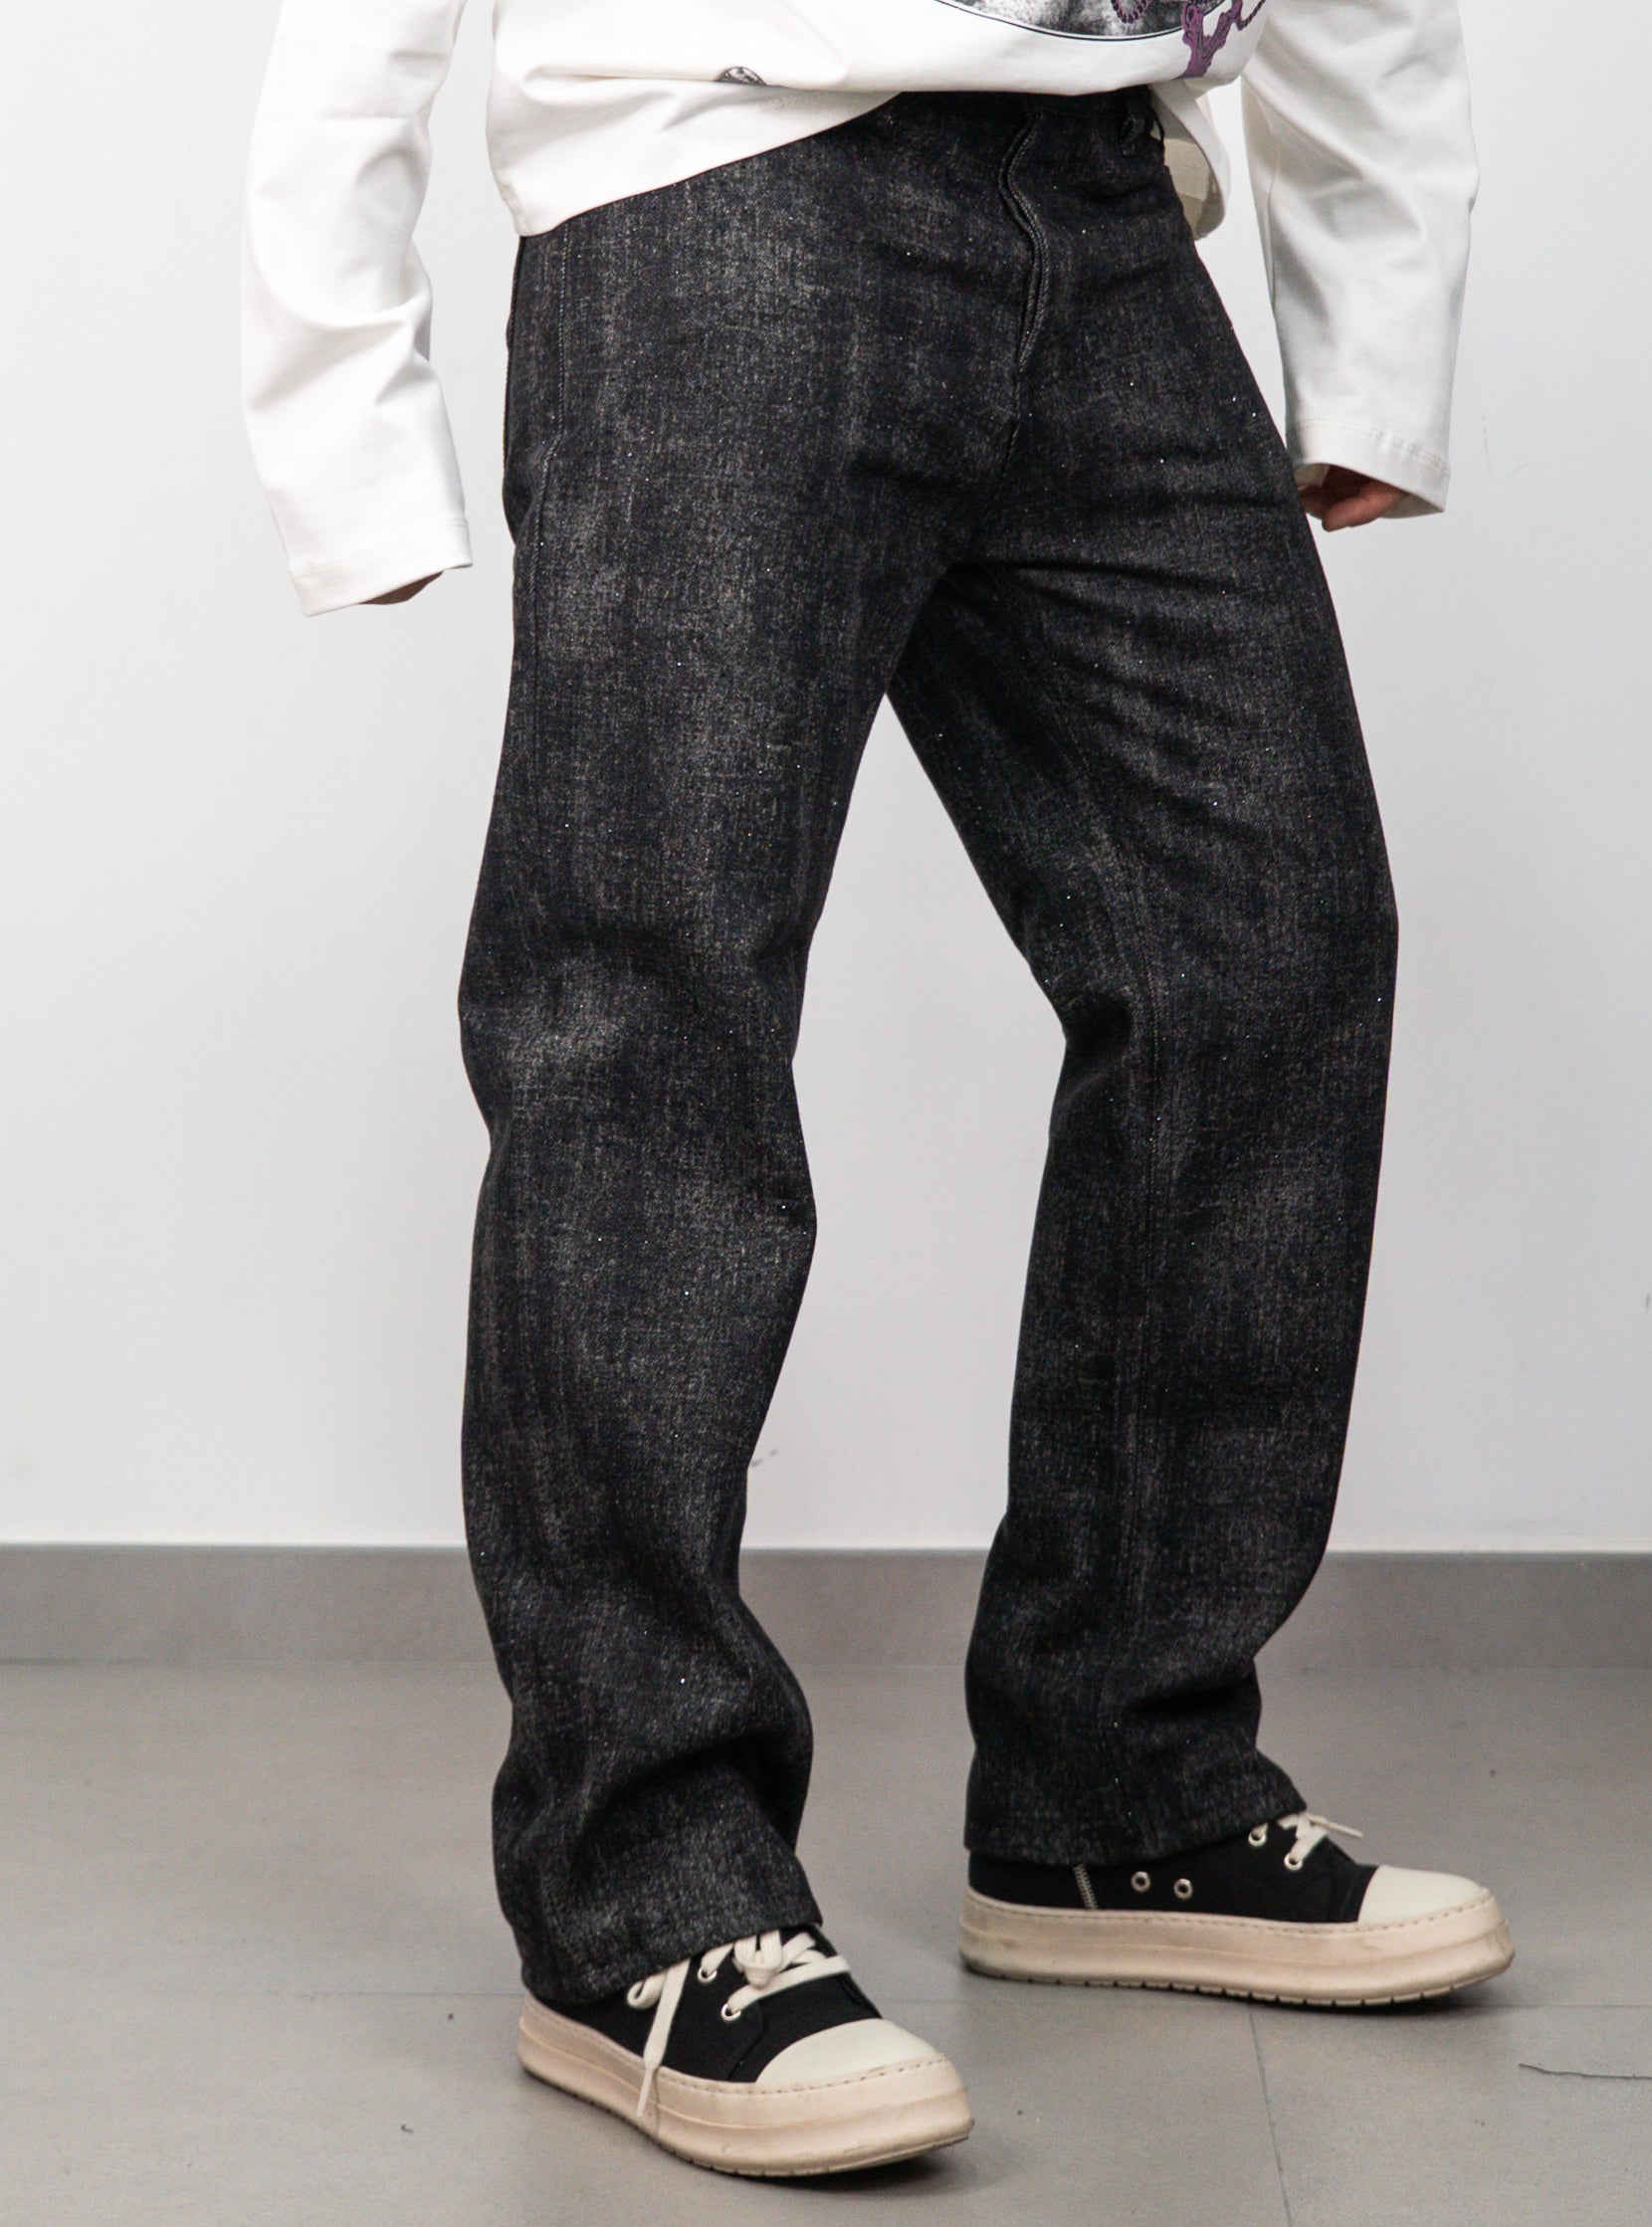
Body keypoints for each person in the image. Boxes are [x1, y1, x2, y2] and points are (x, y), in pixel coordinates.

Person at [242, 0, 1510, 2180]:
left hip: (1109, 208)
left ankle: (1118, 1785)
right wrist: (338, 400)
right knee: (650, 1025)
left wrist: (1376, 321)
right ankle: (642, 1890)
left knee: (1263, 951)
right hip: (710, 194)